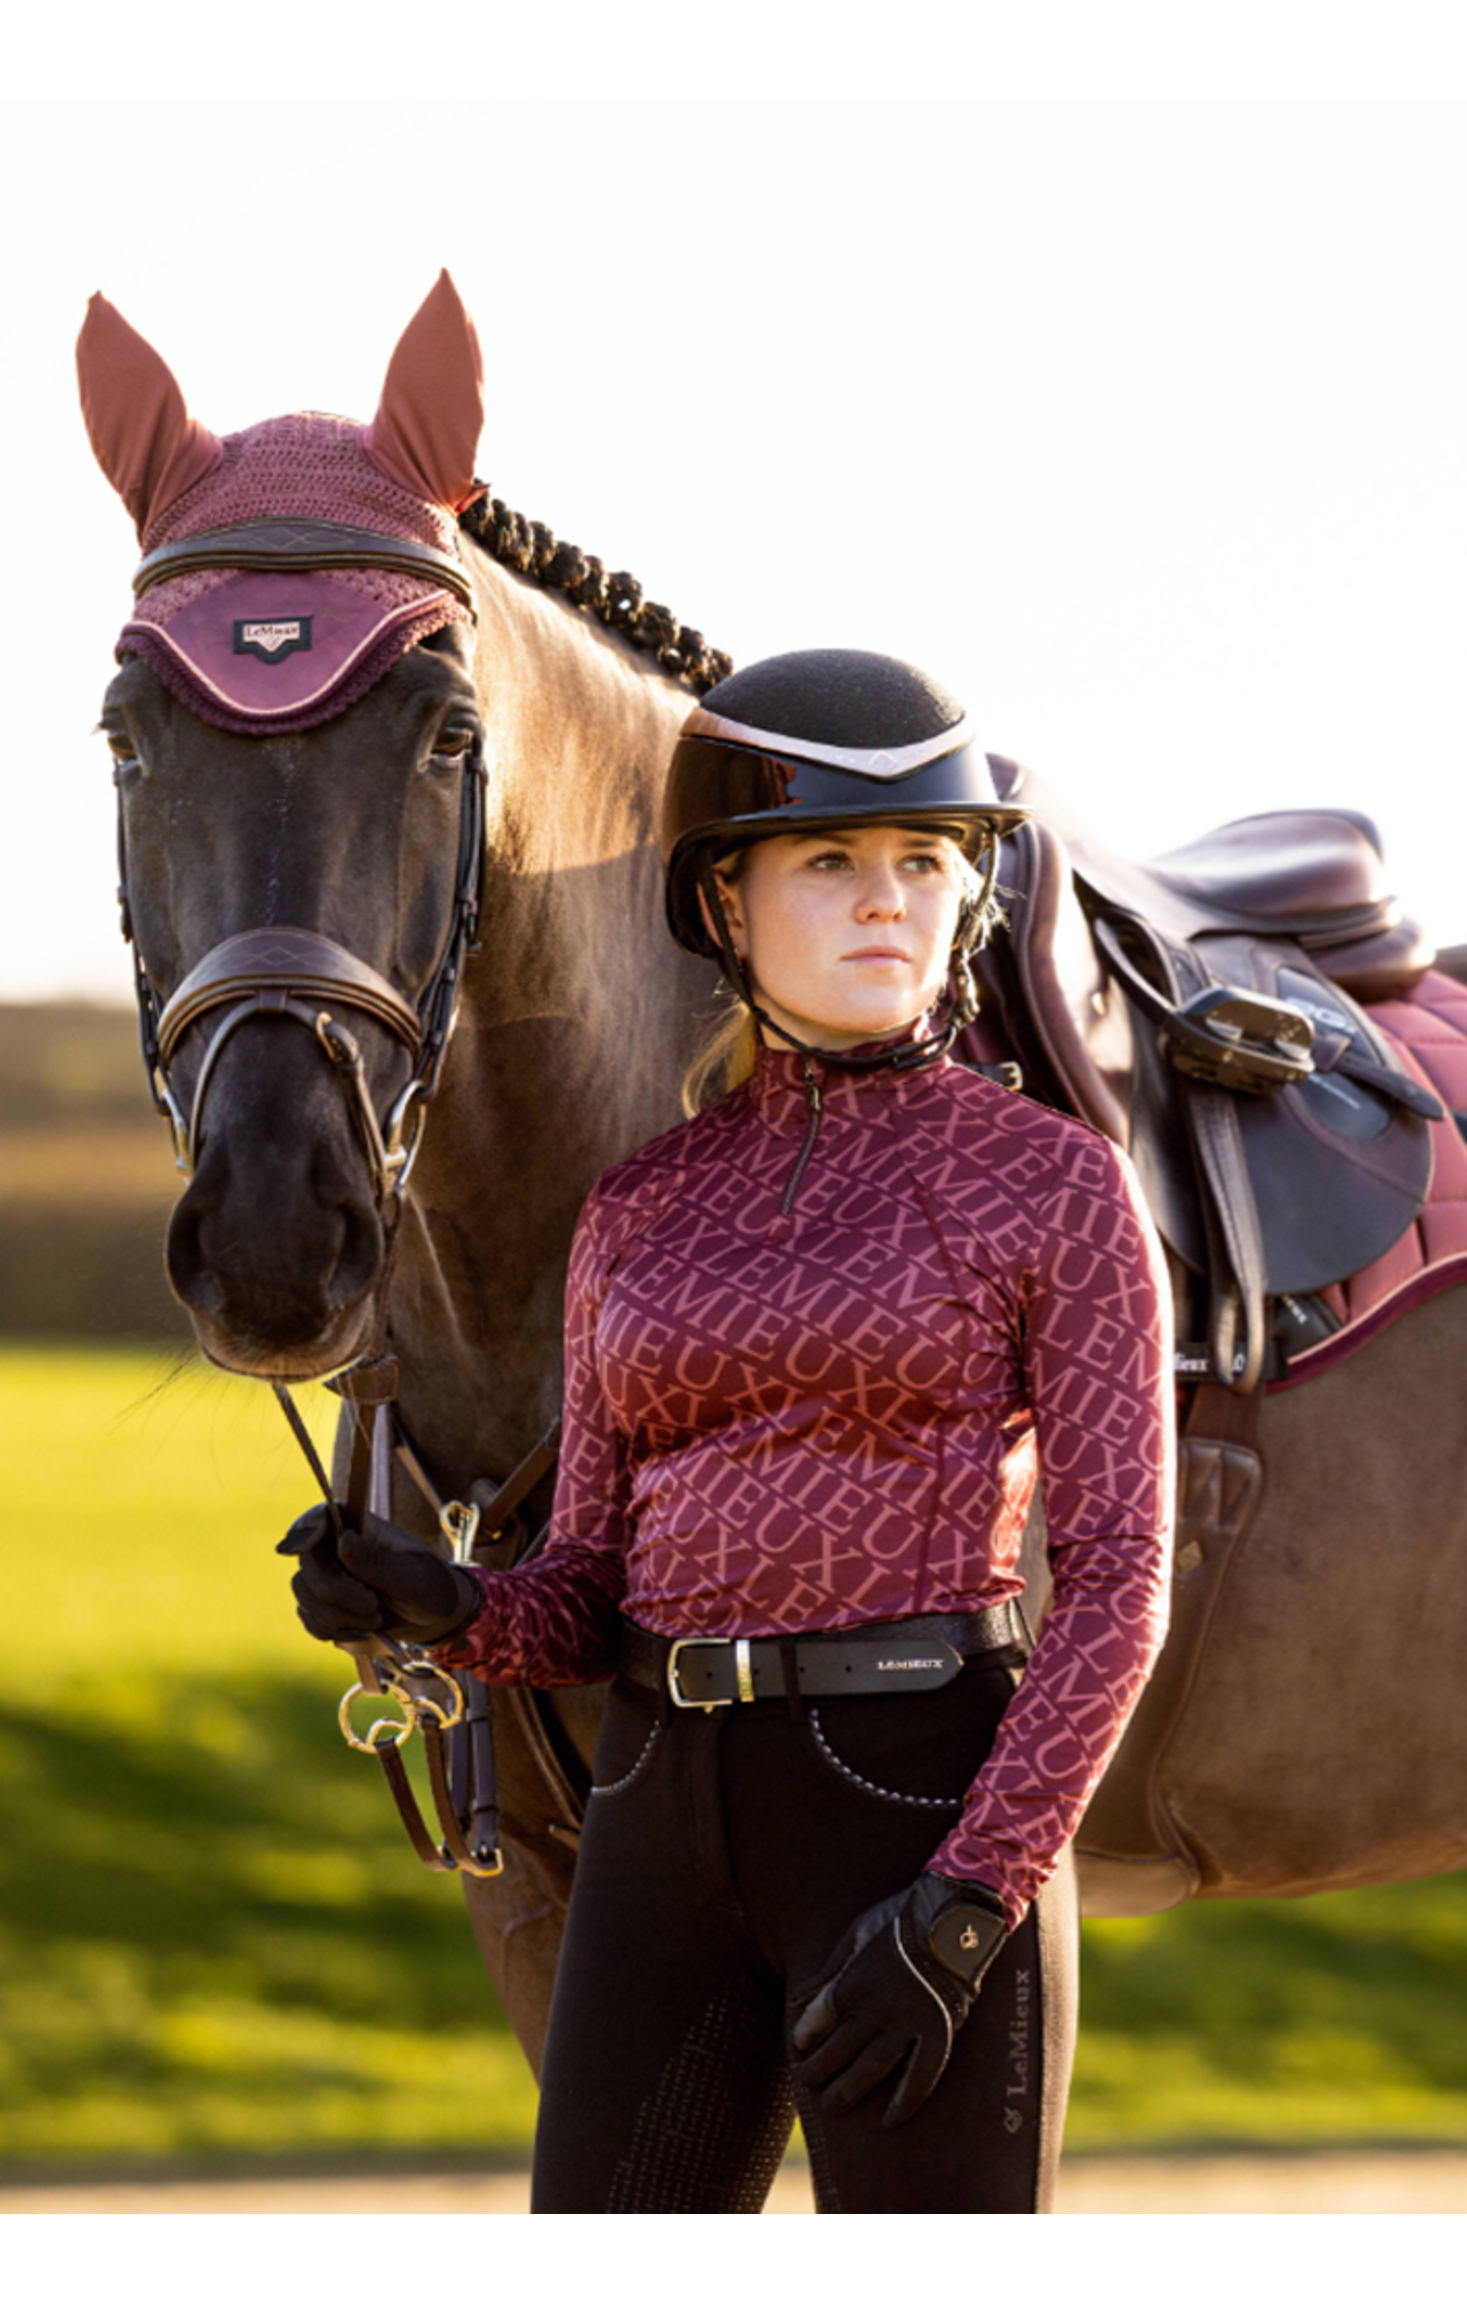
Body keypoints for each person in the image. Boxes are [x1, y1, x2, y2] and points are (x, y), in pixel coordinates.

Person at [283, 648, 1175, 2215]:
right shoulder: (637, 1210)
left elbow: (1113, 1590)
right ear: (722, 904)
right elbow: (588, 1593)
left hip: (919, 1817)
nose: (885, 900)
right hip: (655, 1822)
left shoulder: (1057, 1187)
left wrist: (968, 1907)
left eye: (924, 864)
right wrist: (446, 1604)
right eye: (829, 862)